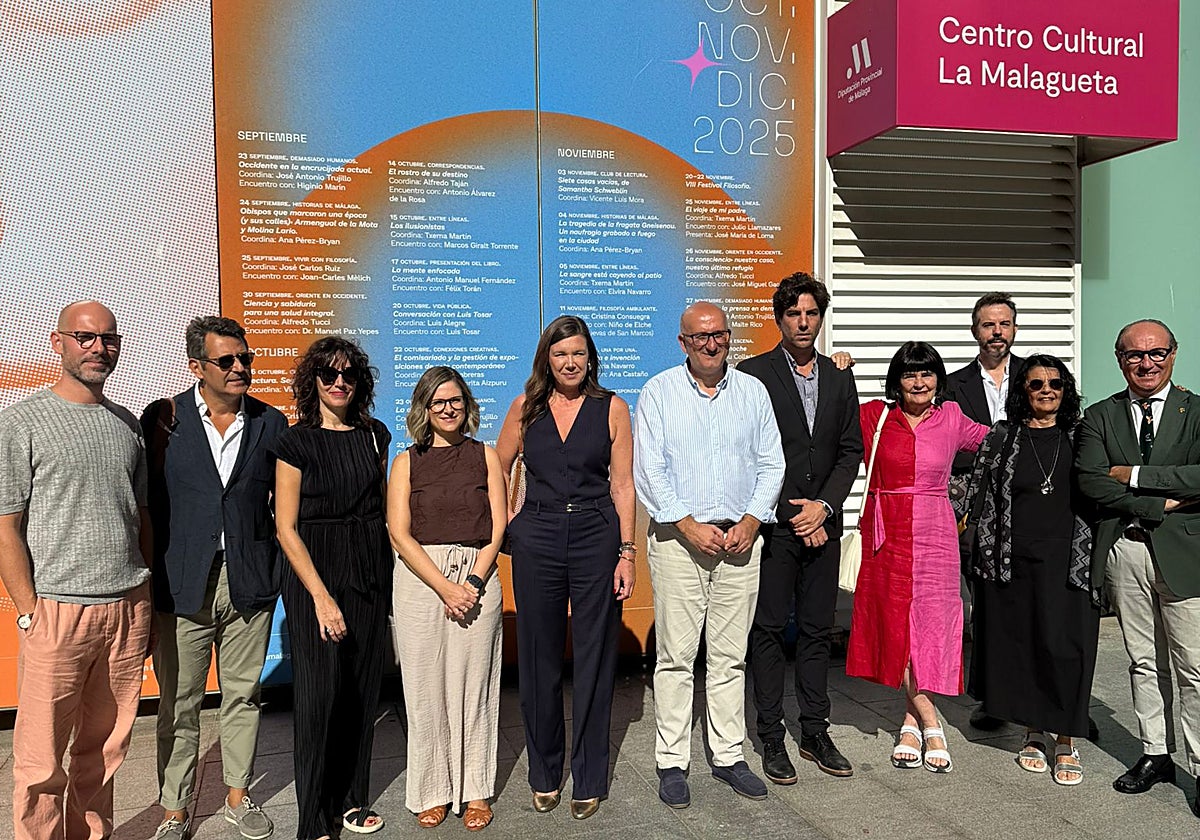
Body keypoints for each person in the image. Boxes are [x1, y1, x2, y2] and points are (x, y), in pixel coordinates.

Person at [0, 300, 153, 840]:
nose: (98, 348)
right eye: (85, 337)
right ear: (57, 341)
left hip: (126, 610)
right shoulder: (21, 421)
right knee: (41, 763)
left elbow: (140, 519)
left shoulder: (126, 424)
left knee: (104, 754)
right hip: (58, 612)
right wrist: (27, 613)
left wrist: (146, 600)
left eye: (108, 339)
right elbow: (5, 525)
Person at [634, 301, 784, 808]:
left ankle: (728, 756)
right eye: (699, 337)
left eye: (718, 334)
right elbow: (649, 470)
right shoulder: (658, 393)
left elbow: (771, 462)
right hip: (680, 541)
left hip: (741, 540)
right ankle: (672, 761)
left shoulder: (752, 393)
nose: (710, 344)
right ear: (683, 343)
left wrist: (752, 519)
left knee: (729, 658)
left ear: (728, 337)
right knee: (676, 658)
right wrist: (687, 524)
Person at [142, 316, 287, 840]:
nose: (240, 368)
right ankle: (175, 808)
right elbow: (148, 506)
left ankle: (237, 795)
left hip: (248, 580)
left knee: (242, 694)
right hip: (182, 584)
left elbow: (282, 506)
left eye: (245, 358)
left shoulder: (271, 422)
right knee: (179, 703)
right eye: (226, 360)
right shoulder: (163, 420)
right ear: (196, 366)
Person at [496, 315, 636, 821]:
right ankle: (545, 773)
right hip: (538, 534)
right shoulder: (525, 408)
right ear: (546, 360)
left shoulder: (612, 408)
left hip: (598, 533)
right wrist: (509, 519)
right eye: (560, 354)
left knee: (596, 658)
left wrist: (627, 551)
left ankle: (591, 776)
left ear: (590, 357)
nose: (570, 362)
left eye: (578, 353)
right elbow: (499, 464)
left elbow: (622, 486)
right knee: (538, 658)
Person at [738, 273, 863, 783]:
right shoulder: (752, 373)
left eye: (811, 313)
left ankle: (814, 729)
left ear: (821, 317)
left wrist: (825, 507)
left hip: (824, 525)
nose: (803, 322)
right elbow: (750, 452)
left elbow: (850, 448)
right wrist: (795, 511)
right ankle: (771, 735)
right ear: (779, 318)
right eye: (794, 314)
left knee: (816, 629)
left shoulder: (839, 376)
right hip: (775, 525)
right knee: (768, 630)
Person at [1076, 319, 1200, 816]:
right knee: (1143, 660)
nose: (1145, 363)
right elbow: (1089, 480)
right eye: (1133, 355)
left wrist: (1136, 475)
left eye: (1156, 353)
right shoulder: (1100, 415)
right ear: (1118, 358)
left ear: (1173, 354)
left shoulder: (1196, 412)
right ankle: (1155, 754)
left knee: (1193, 668)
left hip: (1185, 554)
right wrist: (1157, 503)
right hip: (1126, 551)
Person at [846, 341, 988, 774]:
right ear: (897, 380)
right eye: (910, 374)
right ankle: (930, 720)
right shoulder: (875, 415)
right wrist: (837, 370)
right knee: (894, 623)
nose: (919, 382)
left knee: (929, 624)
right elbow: (829, 419)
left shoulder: (951, 418)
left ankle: (910, 719)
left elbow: (997, 443)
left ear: (937, 379)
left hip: (935, 532)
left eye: (927, 373)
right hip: (885, 531)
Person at [273, 337, 391, 840]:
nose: (339, 382)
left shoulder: (374, 435)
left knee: (362, 693)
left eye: (348, 375)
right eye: (328, 375)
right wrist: (322, 598)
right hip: (315, 576)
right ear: (313, 383)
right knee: (319, 699)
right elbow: (285, 526)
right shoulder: (295, 442)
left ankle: (350, 800)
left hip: (366, 569)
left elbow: (383, 507)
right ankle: (313, 819)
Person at [962, 355, 1099, 785]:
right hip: (1011, 559)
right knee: (1023, 647)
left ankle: (1065, 739)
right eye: (1036, 383)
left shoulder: (1083, 437)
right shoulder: (1002, 437)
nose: (1046, 390)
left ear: (1066, 389)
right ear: (1023, 390)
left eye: (1055, 383)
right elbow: (973, 490)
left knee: (1065, 647)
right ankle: (1033, 733)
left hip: (1070, 559)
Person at [387, 366, 506, 831]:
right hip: (421, 579)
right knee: (423, 691)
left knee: (475, 687)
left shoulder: (486, 455)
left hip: (479, 572)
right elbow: (399, 532)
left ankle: (476, 790)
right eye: (438, 402)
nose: (448, 409)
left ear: (467, 403)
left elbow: (499, 526)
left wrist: (473, 582)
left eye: (455, 400)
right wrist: (444, 585)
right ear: (424, 409)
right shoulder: (406, 462)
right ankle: (432, 790)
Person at [943, 292, 1024, 732]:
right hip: (975, 508)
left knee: (1030, 601)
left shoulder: (1037, 378)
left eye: (1004, 324)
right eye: (989, 324)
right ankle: (993, 697)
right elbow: (947, 446)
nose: (997, 332)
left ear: (1014, 328)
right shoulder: (953, 386)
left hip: (1029, 504)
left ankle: (1044, 697)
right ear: (974, 330)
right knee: (986, 603)